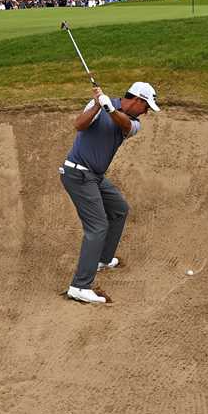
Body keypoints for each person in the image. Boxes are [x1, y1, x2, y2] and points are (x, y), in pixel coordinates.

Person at [61, 81, 160, 305]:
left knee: (119, 210)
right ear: (137, 100)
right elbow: (79, 125)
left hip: (95, 177)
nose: (146, 112)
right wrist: (97, 105)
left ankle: (103, 260)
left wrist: (110, 109)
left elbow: (124, 124)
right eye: (146, 107)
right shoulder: (100, 104)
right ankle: (79, 286)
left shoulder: (134, 123)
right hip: (77, 174)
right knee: (97, 227)